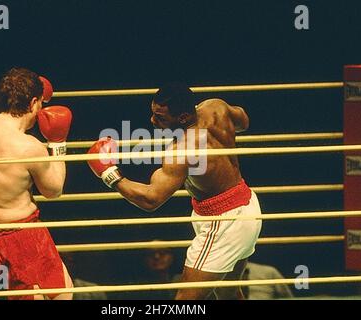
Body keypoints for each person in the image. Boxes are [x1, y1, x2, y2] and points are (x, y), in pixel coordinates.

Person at [87, 83, 262, 300]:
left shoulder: (182, 150)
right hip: (247, 206)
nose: (152, 121)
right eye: (153, 113)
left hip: (224, 222)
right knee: (227, 293)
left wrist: (109, 173)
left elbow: (151, 199)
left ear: (183, 117)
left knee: (185, 300)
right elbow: (243, 121)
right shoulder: (216, 107)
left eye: (160, 117)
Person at [0, 67, 73, 300]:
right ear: (34, 102)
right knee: (61, 296)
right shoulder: (27, 146)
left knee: (60, 291)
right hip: (22, 236)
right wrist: (58, 143)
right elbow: (54, 190)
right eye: (41, 104)